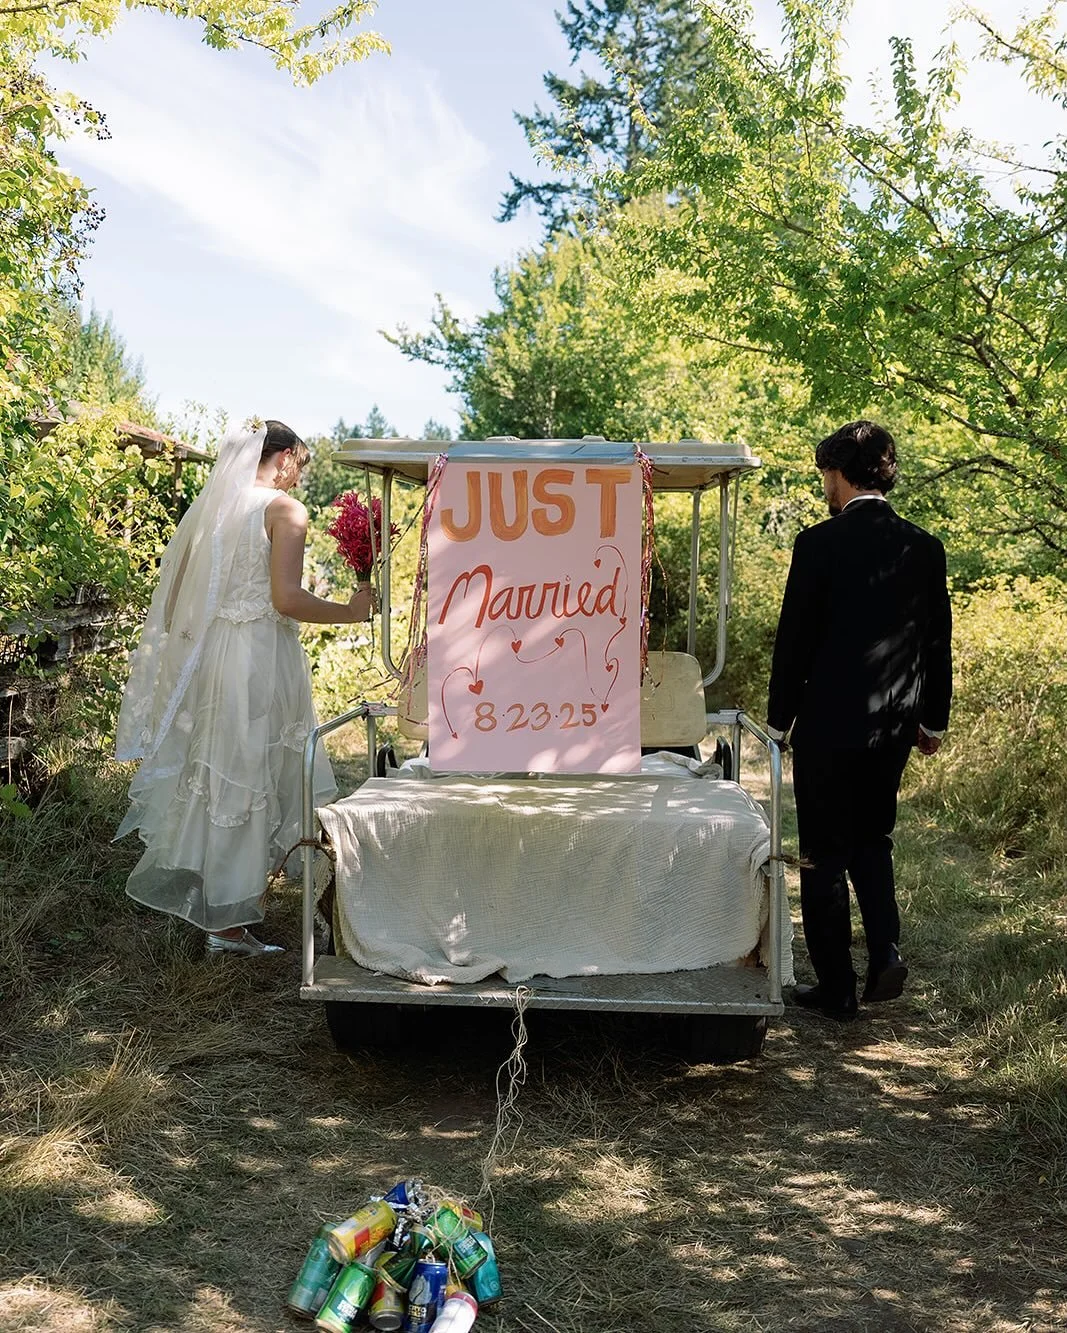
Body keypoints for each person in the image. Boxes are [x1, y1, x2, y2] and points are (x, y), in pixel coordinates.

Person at [115, 420, 375, 956]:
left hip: (214, 656)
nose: (299, 478)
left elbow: (174, 601)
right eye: (300, 465)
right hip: (258, 656)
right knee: (252, 769)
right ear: (282, 457)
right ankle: (228, 922)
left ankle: (221, 904)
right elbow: (287, 599)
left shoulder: (213, 509)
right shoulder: (284, 511)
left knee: (221, 769)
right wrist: (350, 612)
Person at [766, 420, 952, 1020]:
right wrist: (933, 720)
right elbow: (937, 643)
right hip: (894, 722)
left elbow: (794, 641)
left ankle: (837, 989)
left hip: (828, 723)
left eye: (826, 473)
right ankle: (886, 951)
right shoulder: (924, 547)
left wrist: (778, 721)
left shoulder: (818, 544)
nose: (825, 485)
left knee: (823, 850)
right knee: (873, 838)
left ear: (839, 473)